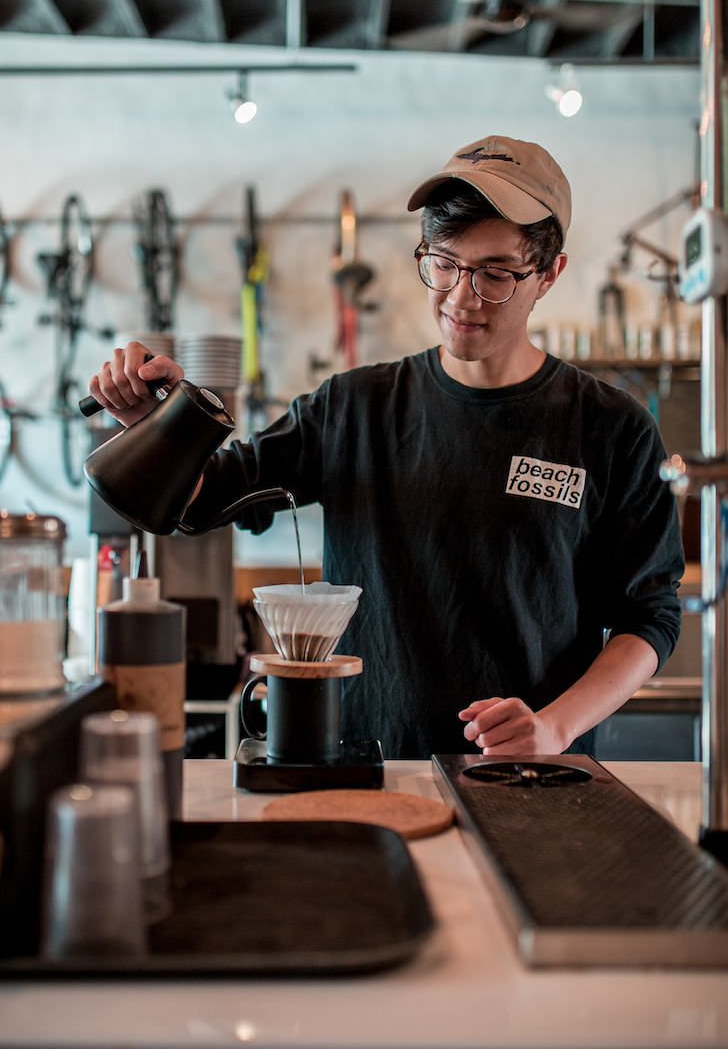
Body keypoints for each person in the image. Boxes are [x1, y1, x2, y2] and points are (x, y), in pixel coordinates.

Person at [90, 135, 684, 760]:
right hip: (365, 771)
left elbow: (649, 617)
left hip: (528, 778)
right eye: (445, 263)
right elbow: (202, 501)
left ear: (548, 274)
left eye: (496, 274)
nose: (460, 297)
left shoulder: (611, 428)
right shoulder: (352, 409)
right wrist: (151, 426)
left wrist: (556, 727)